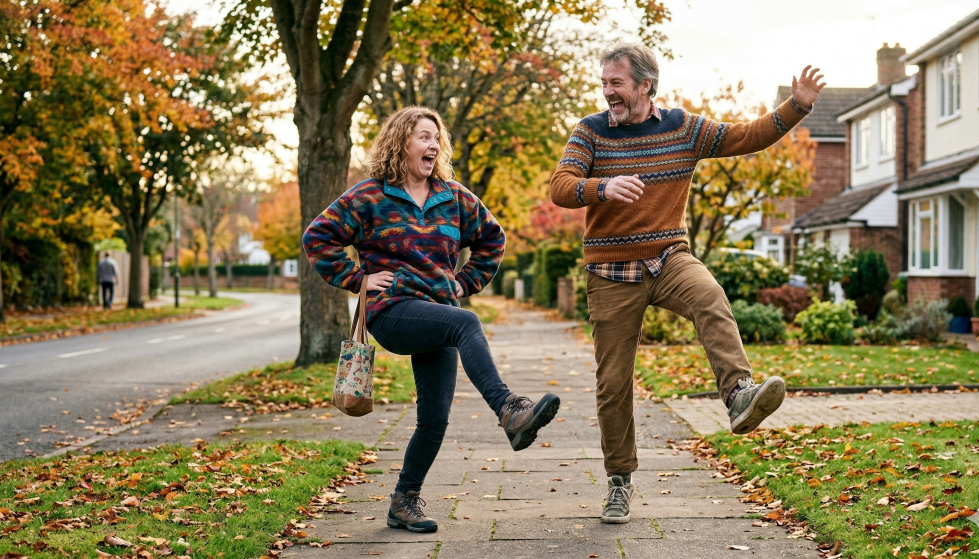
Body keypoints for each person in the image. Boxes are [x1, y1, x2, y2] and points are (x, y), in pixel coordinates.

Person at [549, 43, 825, 524]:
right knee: (613, 383)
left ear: (644, 85)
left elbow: (745, 136)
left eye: (616, 83)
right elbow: (559, 185)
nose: (607, 91)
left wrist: (796, 106)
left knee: (709, 295)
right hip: (612, 271)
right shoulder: (589, 132)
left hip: (668, 257)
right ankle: (619, 481)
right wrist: (601, 187)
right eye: (604, 83)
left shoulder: (682, 128)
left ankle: (739, 393)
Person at [302, 106, 561, 534]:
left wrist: (464, 283)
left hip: (439, 313)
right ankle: (510, 410)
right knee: (468, 324)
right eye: (424, 137)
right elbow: (318, 237)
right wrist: (358, 279)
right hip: (392, 312)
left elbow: (493, 239)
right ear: (401, 141)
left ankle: (403, 501)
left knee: (435, 418)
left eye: (437, 138)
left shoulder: (452, 196)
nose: (434, 145)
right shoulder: (370, 196)